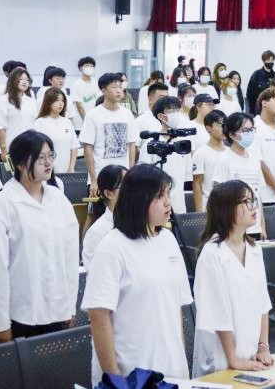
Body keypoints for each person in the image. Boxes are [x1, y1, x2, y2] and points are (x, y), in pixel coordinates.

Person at [83, 164, 192, 385]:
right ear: (138, 199)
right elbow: (99, 317)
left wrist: (182, 368)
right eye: (160, 196)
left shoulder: (168, 240)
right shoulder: (112, 247)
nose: (168, 203)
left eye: (168, 194)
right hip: (131, 373)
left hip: (171, 369)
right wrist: (115, 380)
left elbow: (176, 311)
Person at [0, 131, 79, 340]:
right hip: (20, 315)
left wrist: (70, 306)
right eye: (40, 158)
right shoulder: (1, 205)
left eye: (50, 156)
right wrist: (0, 323)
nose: (48, 163)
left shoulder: (59, 200)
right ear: (20, 164)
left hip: (58, 311)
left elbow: (70, 259)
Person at [192, 180, 274, 375]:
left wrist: (263, 346)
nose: (253, 207)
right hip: (220, 358)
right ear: (226, 209)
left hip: (250, 354)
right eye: (246, 201)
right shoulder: (212, 254)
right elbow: (216, 313)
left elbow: (263, 303)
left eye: (252, 200)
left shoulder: (255, 249)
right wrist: (233, 359)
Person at [80, 72, 139, 198]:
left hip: (123, 177)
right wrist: (93, 180)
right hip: (100, 177)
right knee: (99, 210)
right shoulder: (93, 115)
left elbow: (131, 145)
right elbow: (88, 149)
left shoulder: (127, 114)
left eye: (120, 87)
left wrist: (131, 174)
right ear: (103, 90)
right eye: (114, 87)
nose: (118, 90)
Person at [82, 164, 127, 268]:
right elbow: (94, 272)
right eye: (125, 187)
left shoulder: (140, 223)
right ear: (108, 193)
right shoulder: (97, 233)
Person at [33, 88, 79, 174]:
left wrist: (71, 168)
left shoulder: (67, 122)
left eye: (62, 101)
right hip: (46, 173)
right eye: (57, 100)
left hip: (67, 173)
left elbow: (74, 147)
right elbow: (35, 150)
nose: (60, 103)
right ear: (48, 102)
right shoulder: (39, 122)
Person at [246, 50, 275, 116]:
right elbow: (249, 94)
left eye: (272, 60)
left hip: (271, 108)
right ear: (264, 61)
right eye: (268, 60)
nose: (271, 62)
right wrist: (252, 111)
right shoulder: (256, 74)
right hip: (258, 109)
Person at [70, 57, 99, 128]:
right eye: (87, 66)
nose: (89, 68)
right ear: (80, 68)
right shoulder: (76, 84)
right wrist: (87, 121)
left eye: (91, 66)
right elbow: (79, 106)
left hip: (95, 119)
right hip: (81, 122)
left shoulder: (96, 83)